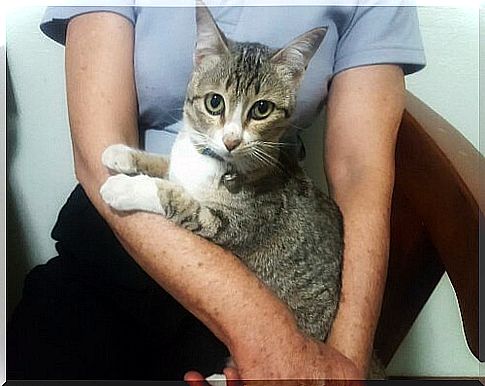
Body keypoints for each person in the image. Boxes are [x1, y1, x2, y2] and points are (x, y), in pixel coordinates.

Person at [7, 2, 425, 382]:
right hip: (122, 228)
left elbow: (361, 174)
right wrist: (261, 329)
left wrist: (342, 366)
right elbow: (98, 154)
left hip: (260, 236)